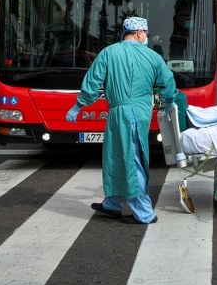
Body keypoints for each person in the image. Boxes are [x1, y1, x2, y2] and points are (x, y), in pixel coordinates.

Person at [66, 16, 177, 225]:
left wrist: (78, 106)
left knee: (123, 158)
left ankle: (144, 213)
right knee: (123, 157)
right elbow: (168, 83)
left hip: (119, 112)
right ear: (139, 33)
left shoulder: (109, 53)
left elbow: (93, 81)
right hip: (138, 113)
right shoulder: (153, 57)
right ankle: (113, 203)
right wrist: (169, 101)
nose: (146, 36)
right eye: (146, 33)